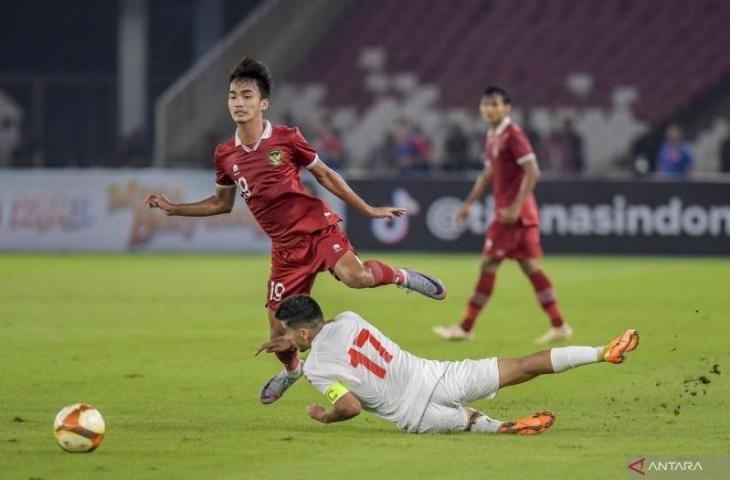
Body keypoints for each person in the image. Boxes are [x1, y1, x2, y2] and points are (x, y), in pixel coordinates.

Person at [145, 57, 446, 405]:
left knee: (356, 277)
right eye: (232, 96)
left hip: (317, 229)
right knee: (279, 335)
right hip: (285, 250)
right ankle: (292, 371)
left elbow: (326, 175)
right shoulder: (225, 154)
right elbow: (221, 204)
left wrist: (366, 208)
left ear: (263, 103)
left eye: (246, 96)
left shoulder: (287, 139)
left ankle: (403, 277)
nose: (238, 103)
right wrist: (174, 208)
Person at [256, 294, 639, 434]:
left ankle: (505, 427)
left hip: (415, 415)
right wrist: (293, 343)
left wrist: (324, 416)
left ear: (304, 335)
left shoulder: (318, 368)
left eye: (289, 333)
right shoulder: (350, 318)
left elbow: (350, 406)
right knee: (523, 365)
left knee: (469, 423)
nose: (288, 339)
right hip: (437, 376)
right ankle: (601, 352)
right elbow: (327, 339)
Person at [432, 86, 571, 343]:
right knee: (529, 266)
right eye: (485, 104)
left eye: (495, 104)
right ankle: (559, 325)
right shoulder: (493, 135)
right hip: (515, 212)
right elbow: (488, 174)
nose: (489, 109)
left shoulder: (513, 135)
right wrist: (468, 203)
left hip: (511, 214)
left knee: (488, 264)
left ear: (507, 108)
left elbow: (533, 172)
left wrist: (516, 206)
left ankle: (465, 328)